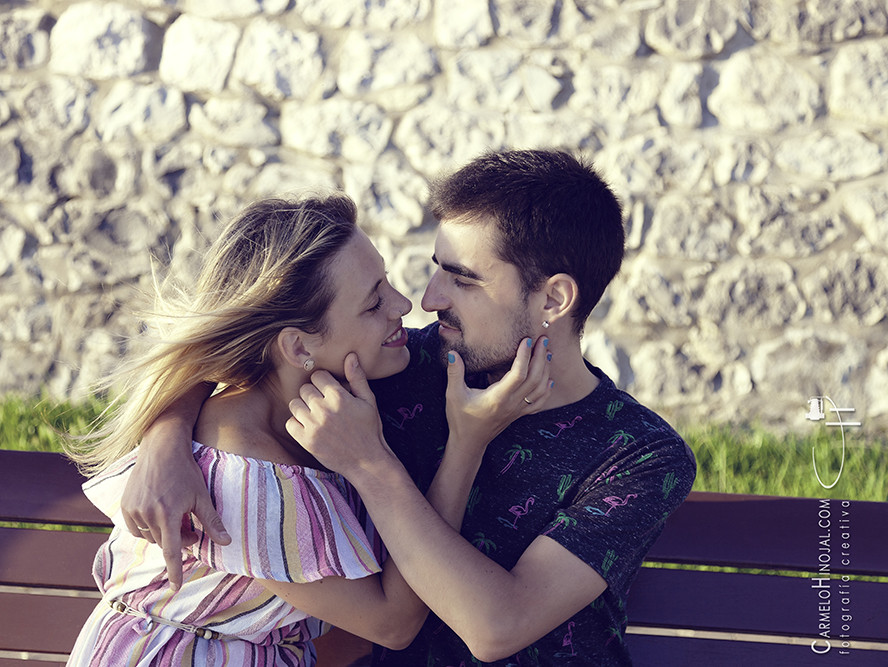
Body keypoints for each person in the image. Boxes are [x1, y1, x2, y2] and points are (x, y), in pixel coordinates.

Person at [124, 149, 698, 665]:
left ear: (553, 298)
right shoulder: (405, 367)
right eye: (436, 268)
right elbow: (252, 350)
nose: (427, 299)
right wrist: (165, 440)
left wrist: (373, 467)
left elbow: (496, 628)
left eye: (463, 279)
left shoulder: (637, 456)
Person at [63, 194, 554, 666]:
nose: (404, 304)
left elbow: (207, 360)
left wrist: (164, 434)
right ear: (299, 348)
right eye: (372, 302)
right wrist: (467, 442)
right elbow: (393, 623)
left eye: (386, 282)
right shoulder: (246, 472)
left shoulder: (320, 397)